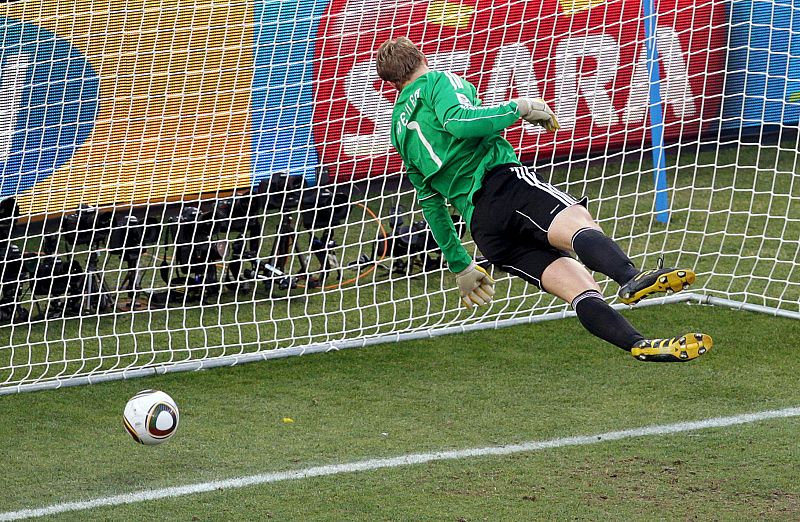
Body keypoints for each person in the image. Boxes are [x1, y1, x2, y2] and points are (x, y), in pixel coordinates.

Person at [375, 37, 712, 362]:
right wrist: (518, 107)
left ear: (391, 83)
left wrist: (460, 262)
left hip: (485, 230)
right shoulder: (437, 81)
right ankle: (629, 277)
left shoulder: (397, 129)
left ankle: (638, 344)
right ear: (422, 58)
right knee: (577, 222)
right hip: (503, 185)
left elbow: (431, 203)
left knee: (580, 289)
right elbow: (459, 123)